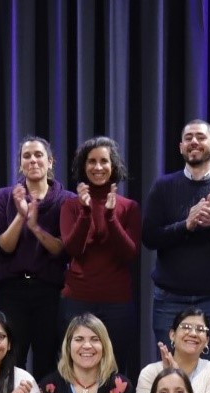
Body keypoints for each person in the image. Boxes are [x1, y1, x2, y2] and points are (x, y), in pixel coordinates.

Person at [141, 119, 210, 363]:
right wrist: (186, 225)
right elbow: (149, 237)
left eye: (200, 137)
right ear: (181, 147)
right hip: (169, 297)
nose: (194, 142)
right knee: (169, 368)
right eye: (188, 138)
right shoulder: (163, 187)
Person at [0, 136, 73, 377]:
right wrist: (21, 216)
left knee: (48, 360)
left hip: (50, 291)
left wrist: (35, 227)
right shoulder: (4, 197)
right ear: (20, 164)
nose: (33, 160)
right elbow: (2, 248)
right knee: (10, 360)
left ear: (50, 162)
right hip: (11, 291)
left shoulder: (67, 200)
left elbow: (61, 250)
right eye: (26, 156)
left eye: (39, 155)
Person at [60, 136, 141, 374]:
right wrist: (85, 213)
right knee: (76, 367)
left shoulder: (129, 207)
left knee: (115, 370)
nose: (98, 167)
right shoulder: (71, 206)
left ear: (113, 165)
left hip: (117, 302)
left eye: (104, 161)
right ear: (83, 167)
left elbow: (129, 253)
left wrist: (110, 217)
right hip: (78, 299)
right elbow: (73, 249)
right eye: (91, 161)